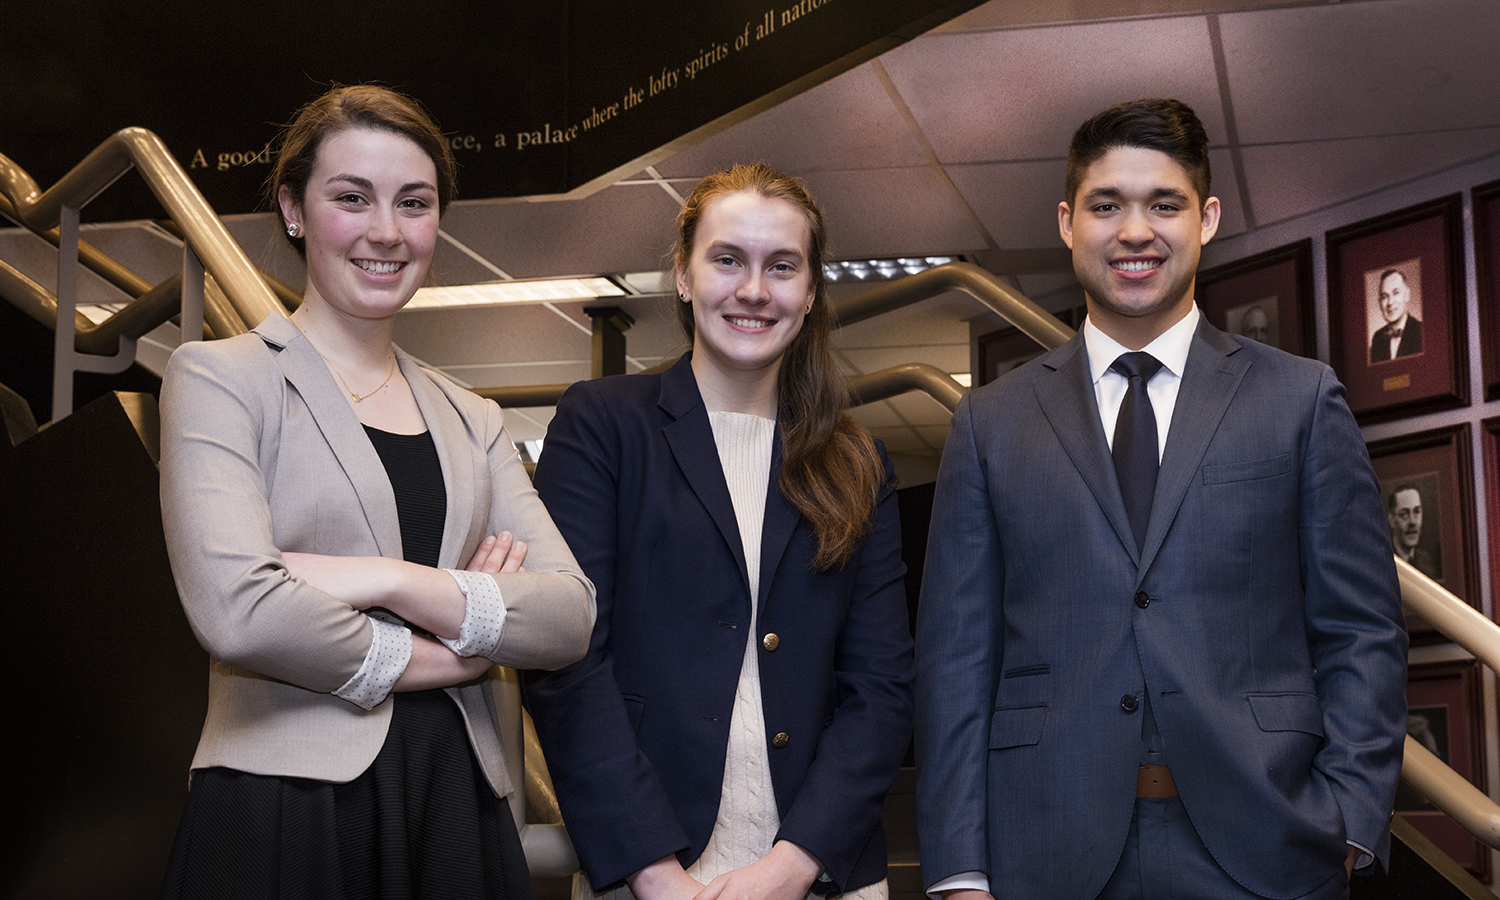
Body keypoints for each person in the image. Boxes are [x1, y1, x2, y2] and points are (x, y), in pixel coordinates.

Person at [915, 98, 1407, 900]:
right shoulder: (988, 423)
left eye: (1164, 205)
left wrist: (1349, 818)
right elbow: (957, 663)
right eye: (1107, 205)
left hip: (1268, 849)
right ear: (1069, 222)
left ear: (1206, 218)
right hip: (1043, 853)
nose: (1135, 231)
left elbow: (1360, 631)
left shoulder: (1300, 399)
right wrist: (959, 867)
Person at [158, 84, 596, 898]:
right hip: (287, 801)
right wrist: (453, 652)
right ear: (294, 208)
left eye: (415, 203)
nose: (387, 232)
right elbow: (238, 610)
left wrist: (391, 582)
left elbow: (568, 614)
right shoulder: (222, 379)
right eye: (351, 198)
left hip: (454, 800)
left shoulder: (474, 418)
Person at [524, 163, 913, 900]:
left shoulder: (858, 460)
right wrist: (652, 871)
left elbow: (883, 690)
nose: (754, 289)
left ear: (810, 292)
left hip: (821, 870)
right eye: (727, 259)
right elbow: (568, 664)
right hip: (652, 868)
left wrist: (790, 867)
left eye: (782, 266)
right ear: (682, 275)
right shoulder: (603, 426)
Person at [1387, 483, 1439, 578]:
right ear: (1391, 520)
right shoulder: (1383, 562)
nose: (1412, 521)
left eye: (1416, 512)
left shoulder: (1427, 562)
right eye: (1404, 514)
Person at [1369, 268, 1422, 362]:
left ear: (1407, 295)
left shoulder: (1421, 331)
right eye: (1384, 296)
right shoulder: (1377, 338)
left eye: (1396, 293)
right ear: (1379, 302)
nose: (1390, 302)